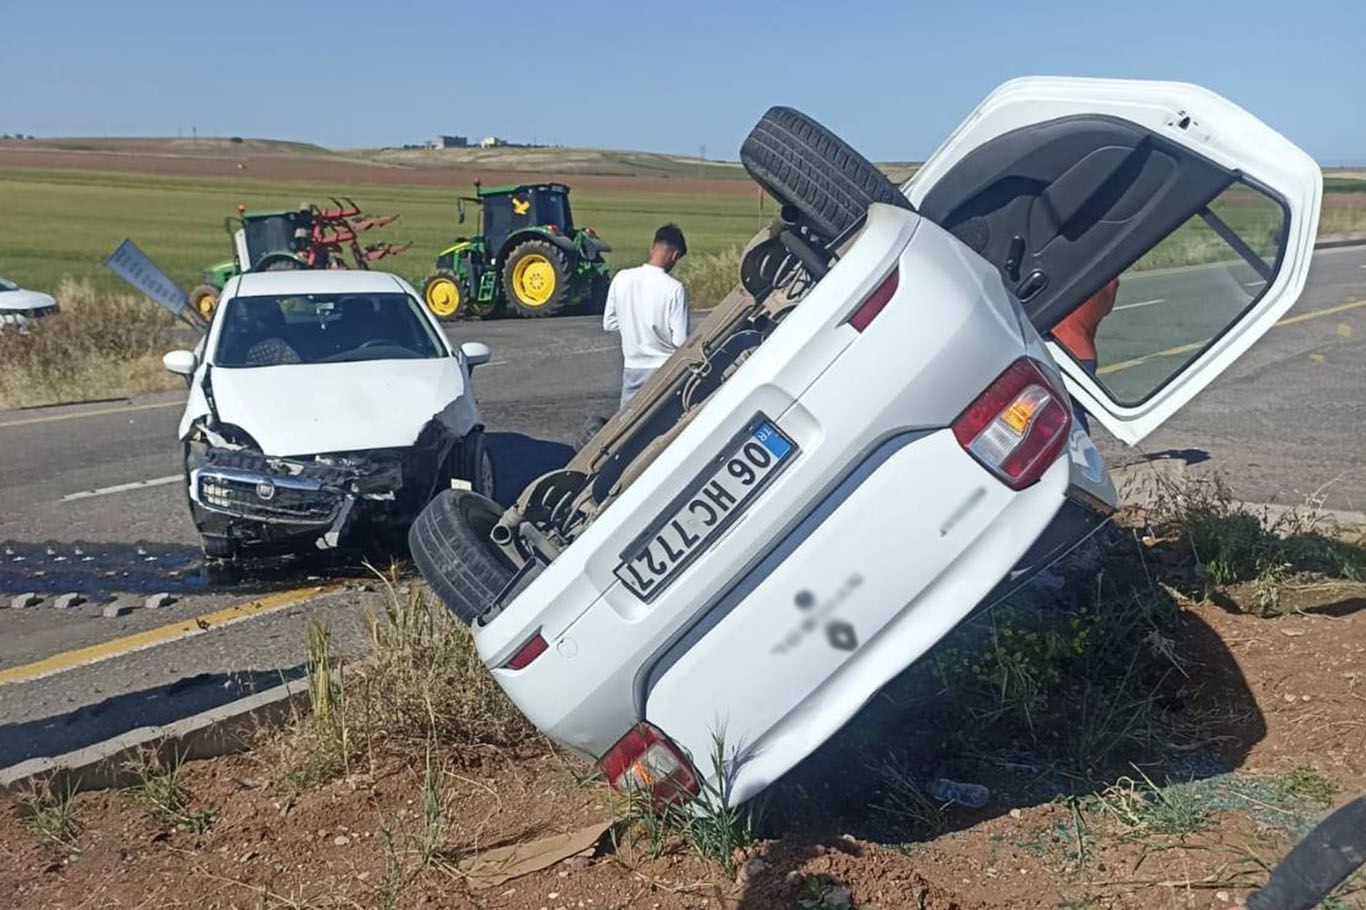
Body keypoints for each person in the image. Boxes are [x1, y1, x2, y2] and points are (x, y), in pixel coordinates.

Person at [603, 223, 689, 406]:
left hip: (632, 367)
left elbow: (609, 323)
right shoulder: (674, 289)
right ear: (674, 255)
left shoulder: (621, 278)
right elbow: (680, 341)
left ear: (653, 247)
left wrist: (631, 326)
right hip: (663, 369)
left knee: (626, 425)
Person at [1052, 276, 1118, 433]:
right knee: (1074, 410)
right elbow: (1106, 309)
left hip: (1064, 351)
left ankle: (1081, 452)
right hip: (1085, 354)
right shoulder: (1110, 281)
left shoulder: (1072, 274)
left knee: (1070, 413)